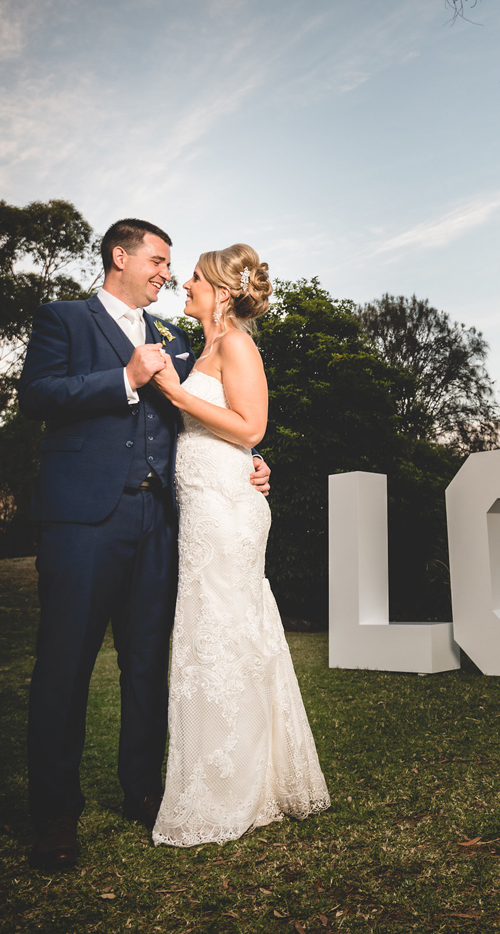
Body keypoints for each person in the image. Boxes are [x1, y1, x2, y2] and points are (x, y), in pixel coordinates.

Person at [18, 219, 273, 871]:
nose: (167, 272)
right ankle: (54, 814)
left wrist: (251, 459)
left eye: (172, 265)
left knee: (150, 663)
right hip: (83, 520)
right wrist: (124, 377)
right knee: (65, 663)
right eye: (158, 260)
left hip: (162, 523)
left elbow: (211, 411)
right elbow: (37, 395)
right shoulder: (64, 320)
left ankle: (144, 790)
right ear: (120, 256)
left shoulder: (177, 338)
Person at [147, 244, 329, 847]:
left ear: (222, 292)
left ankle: (241, 784)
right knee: (210, 635)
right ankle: (230, 772)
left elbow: (251, 427)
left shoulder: (235, 344)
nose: (185, 284)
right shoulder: (198, 347)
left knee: (229, 630)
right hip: (202, 503)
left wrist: (176, 395)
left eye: (194, 278)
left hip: (227, 505)